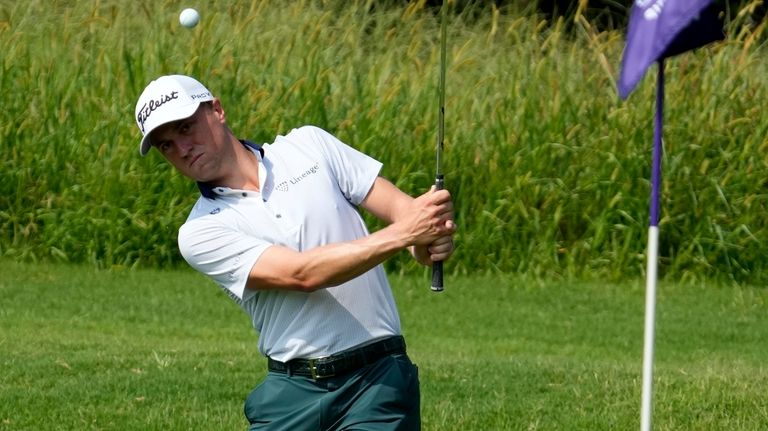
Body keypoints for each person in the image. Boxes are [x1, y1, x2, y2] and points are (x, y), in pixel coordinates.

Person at [133, 74, 456, 430]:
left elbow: (405, 214)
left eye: (185, 127)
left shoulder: (310, 145)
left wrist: (424, 244)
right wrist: (405, 233)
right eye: (166, 145)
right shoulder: (200, 231)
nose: (182, 148)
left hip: (377, 381)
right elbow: (302, 275)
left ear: (218, 109)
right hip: (292, 393)